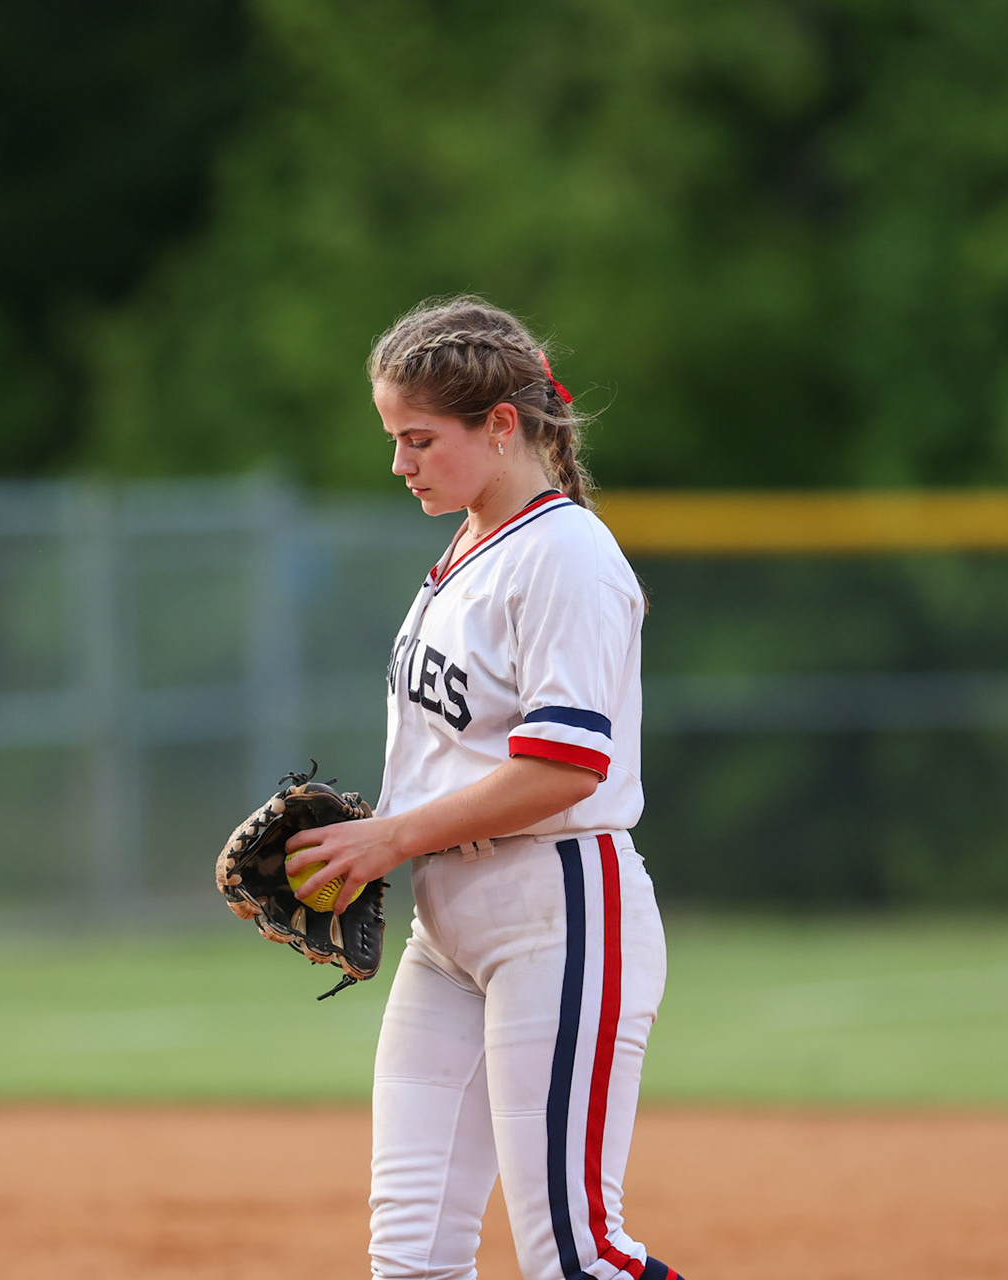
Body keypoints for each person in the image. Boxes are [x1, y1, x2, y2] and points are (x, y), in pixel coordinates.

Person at [287, 297, 682, 1280]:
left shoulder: (565, 554)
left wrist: (392, 837)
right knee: (412, 1256)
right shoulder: (470, 550)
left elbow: (565, 766)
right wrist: (378, 838)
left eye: (419, 439)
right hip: (449, 928)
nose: (400, 462)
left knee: (579, 1257)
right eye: (394, 438)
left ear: (501, 424)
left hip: (557, 909)